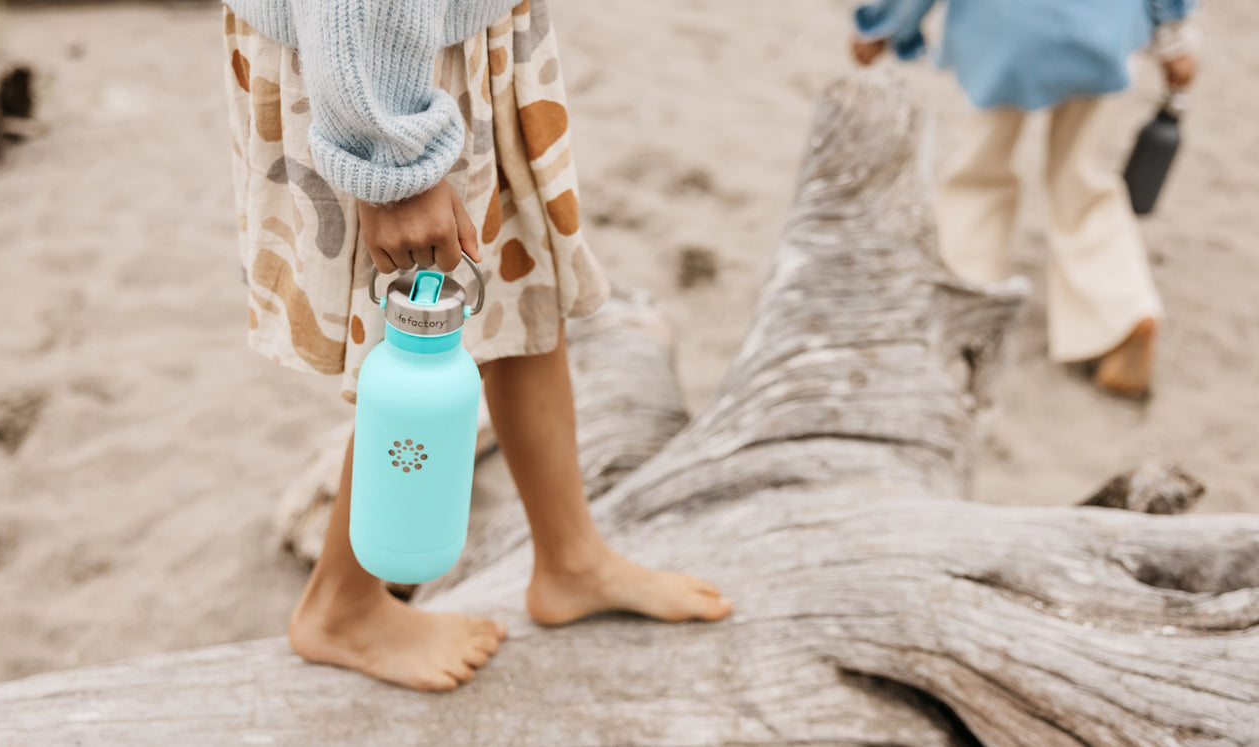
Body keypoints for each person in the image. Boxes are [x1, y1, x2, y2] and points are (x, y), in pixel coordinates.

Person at [221, 0, 732, 692]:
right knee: (413, 341)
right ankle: (341, 603)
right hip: (384, 78)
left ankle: (569, 554)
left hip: (451, 42)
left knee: (522, 291)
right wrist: (392, 160)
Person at [850, 0, 1199, 396]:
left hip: (1006, 29)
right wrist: (1175, 36)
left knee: (978, 174)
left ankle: (968, 298)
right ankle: (1122, 312)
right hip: (1103, 30)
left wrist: (883, 24)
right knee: (1079, 178)